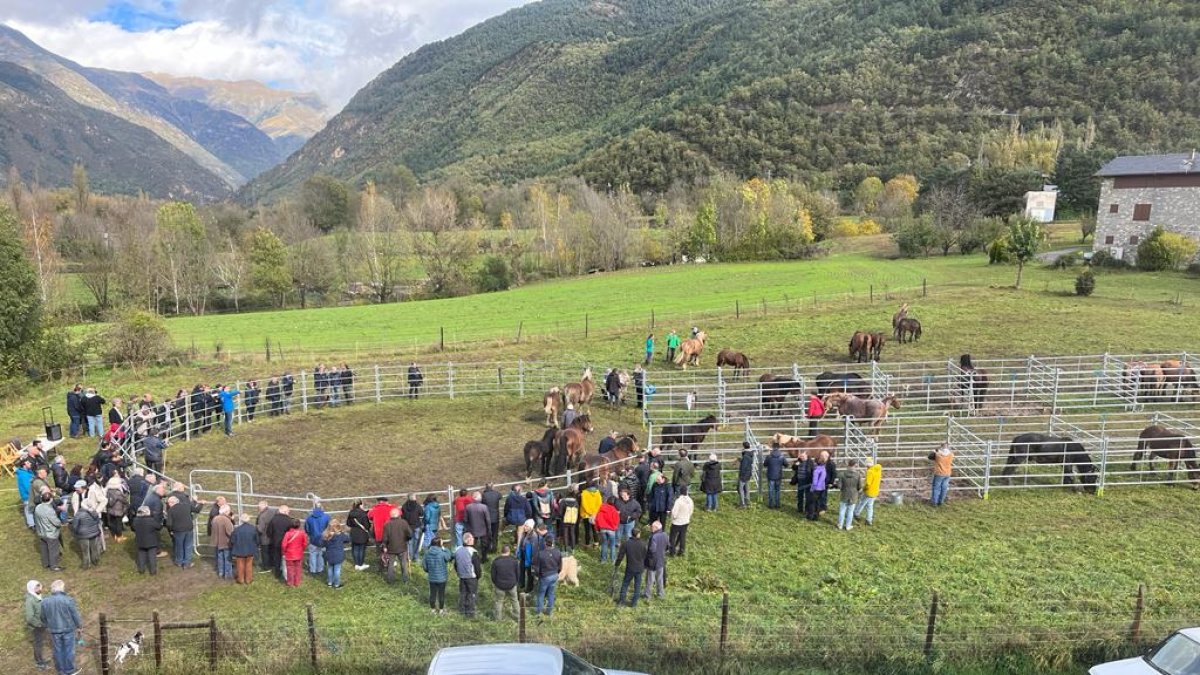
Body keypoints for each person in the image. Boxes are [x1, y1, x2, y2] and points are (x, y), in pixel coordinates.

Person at [41, 579, 83, 675]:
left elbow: (43, 617)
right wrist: (79, 626)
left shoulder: (45, 601)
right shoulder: (68, 600)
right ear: (62, 588)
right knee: (69, 650)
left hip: (54, 631)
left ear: (53, 589)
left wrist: (48, 625)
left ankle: (61, 671)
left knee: (58, 650)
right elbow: (75, 615)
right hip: (68, 630)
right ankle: (70, 670)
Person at [165, 493, 203, 568]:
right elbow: (196, 510)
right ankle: (187, 563)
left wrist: (171, 531)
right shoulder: (186, 506)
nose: (168, 504)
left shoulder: (171, 510)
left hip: (178, 531)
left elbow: (169, 523)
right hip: (189, 529)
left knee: (179, 546)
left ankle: (179, 561)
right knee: (188, 546)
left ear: (173, 502)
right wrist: (201, 504)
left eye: (169, 503)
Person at [615, 527, 646, 608]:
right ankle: (634, 603)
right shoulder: (643, 544)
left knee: (625, 584)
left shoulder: (626, 543)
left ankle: (621, 601)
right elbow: (644, 556)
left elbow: (620, 555)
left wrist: (617, 564)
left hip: (630, 567)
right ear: (638, 534)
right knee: (637, 585)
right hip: (639, 568)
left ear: (632, 534)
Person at [533, 535, 562, 619]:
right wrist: (557, 573)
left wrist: (537, 576)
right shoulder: (558, 552)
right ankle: (549, 612)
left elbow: (536, 567)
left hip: (545, 576)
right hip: (554, 575)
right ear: (552, 543)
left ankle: (538, 612)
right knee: (551, 593)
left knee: (541, 594)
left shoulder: (540, 554)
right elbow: (560, 566)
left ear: (545, 543)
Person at [382, 507, 413, 583]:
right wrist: (407, 539)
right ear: (398, 514)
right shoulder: (404, 522)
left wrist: (385, 546)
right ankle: (405, 580)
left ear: (390, 515)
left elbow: (385, 538)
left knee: (390, 564)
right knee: (403, 564)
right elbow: (410, 534)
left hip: (391, 547)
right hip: (402, 546)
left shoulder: (387, 524)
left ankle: (390, 580)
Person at [421, 537, 453, 615]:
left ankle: (433, 610)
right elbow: (449, 557)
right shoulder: (442, 552)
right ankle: (441, 610)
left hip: (432, 578)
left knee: (432, 594)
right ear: (439, 544)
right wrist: (445, 549)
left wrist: (429, 571)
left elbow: (424, 566)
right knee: (441, 594)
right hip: (442, 578)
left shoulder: (427, 553)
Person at [455, 532, 482, 618]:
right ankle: (470, 612)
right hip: (471, 576)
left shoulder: (458, 550)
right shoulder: (473, 552)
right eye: (472, 538)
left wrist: (458, 572)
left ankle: (462, 610)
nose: (474, 540)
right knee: (471, 594)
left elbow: (456, 564)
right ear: (468, 540)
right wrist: (478, 575)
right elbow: (477, 566)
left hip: (462, 576)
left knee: (463, 593)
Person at [490, 545, 520, 621]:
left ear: (501, 551)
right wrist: (516, 582)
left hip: (499, 585)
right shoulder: (514, 561)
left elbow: (493, 575)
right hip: (512, 584)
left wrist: (495, 583)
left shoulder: (496, 562)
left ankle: (498, 619)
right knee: (515, 600)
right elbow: (518, 573)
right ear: (509, 551)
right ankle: (518, 617)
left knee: (499, 602)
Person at [25, 579, 50, 671]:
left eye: (39, 586)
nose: (40, 588)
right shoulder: (30, 600)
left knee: (40, 643)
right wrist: (39, 624)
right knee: (38, 644)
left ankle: (41, 660)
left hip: (41, 624)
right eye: (37, 587)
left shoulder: (38, 596)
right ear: (31, 589)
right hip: (37, 627)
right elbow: (29, 618)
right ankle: (39, 663)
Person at [807, 451, 836, 521]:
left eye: (821, 456)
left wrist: (831, 482)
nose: (820, 456)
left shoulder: (830, 464)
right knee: (819, 499)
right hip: (822, 485)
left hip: (820, 485)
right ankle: (818, 512)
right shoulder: (823, 467)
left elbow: (834, 473)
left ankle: (818, 511)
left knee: (817, 499)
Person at [267, 504, 294, 580]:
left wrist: (272, 538)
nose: (289, 513)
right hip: (287, 542)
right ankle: (287, 573)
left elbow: (269, 531)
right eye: (288, 511)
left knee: (277, 557)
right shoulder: (289, 520)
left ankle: (277, 573)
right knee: (286, 558)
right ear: (285, 511)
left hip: (276, 542)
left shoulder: (273, 519)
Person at [132, 506, 161, 575]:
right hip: (151, 542)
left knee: (141, 556)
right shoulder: (151, 520)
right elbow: (159, 527)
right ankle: (153, 571)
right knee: (152, 557)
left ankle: (141, 570)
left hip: (140, 541)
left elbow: (133, 528)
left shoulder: (135, 520)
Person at [643, 521, 668, 601]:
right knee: (660, 579)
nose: (651, 528)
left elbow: (652, 550)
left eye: (652, 527)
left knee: (650, 579)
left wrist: (647, 557)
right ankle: (661, 594)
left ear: (656, 528)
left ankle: (647, 595)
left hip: (652, 562)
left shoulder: (653, 537)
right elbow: (668, 546)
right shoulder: (665, 535)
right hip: (661, 560)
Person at [230, 513, 258, 584]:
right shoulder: (253, 529)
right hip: (250, 549)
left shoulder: (237, 530)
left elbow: (232, 540)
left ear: (241, 520)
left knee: (240, 565)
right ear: (249, 519)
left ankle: (241, 579)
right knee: (249, 564)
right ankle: (248, 579)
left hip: (239, 550)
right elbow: (257, 540)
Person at [304, 500, 331, 576]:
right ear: (322, 508)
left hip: (313, 539)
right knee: (321, 554)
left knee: (312, 554)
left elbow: (307, 529)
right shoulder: (326, 517)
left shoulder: (309, 518)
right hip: (323, 539)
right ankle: (320, 569)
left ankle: (313, 570)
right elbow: (328, 527)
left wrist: (310, 534)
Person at [322, 519, 349, 588]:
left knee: (330, 568)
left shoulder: (326, 535)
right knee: (337, 570)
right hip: (338, 555)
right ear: (338, 526)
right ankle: (337, 584)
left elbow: (323, 544)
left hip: (329, 554)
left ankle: (330, 583)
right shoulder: (340, 535)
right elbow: (348, 539)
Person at [465, 492, 491, 563]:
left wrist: (468, 529)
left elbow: (466, 519)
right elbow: (488, 519)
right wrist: (489, 529)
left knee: (473, 545)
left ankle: (474, 558)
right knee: (484, 545)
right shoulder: (484, 507)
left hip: (472, 529)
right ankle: (484, 558)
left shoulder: (468, 507)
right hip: (483, 529)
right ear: (480, 498)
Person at [837, 459, 864, 531]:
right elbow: (860, 487)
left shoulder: (841, 474)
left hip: (844, 494)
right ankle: (848, 526)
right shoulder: (858, 475)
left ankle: (840, 524)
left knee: (842, 510)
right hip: (853, 495)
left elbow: (839, 486)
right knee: (850, 511)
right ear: (855, 465)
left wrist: (842, 488)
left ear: (848, 465)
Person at [281, 519, 308, 587]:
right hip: (298, 554)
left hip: (289, 554)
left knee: (290, 569)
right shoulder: (302, 533)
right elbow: (305, 543)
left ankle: (290, 582)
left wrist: (283, 552)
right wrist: (302, 550)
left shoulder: (288, 533)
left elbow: (284, 545)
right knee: (298, 568)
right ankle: (297, 582)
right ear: (299, 525)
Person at [346, 500, 372, 571]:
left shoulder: (351, 513)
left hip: (353, 533)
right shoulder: (363, 514)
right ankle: (361, 564)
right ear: (360, 505)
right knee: (361, 549)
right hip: (362, 533)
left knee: (355, 549)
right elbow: (367, 526)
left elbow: (348, 523)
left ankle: (356, 564)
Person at [211, 504, 235, 579]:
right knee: (227, 558)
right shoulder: (226, 520)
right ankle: (227, 574)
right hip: (225, 542)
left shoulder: (215, 518)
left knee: (220, 558)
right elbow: (230, 532)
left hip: (217, 542)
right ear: (226, 511)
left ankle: (221, 572)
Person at [668, 485, 693, 556]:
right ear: (686, 491)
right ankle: (681, 551)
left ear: (680, 492)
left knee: (672, 536)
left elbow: (674, 512)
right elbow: (691, 510)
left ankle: (672, 552)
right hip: (686, 521)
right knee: (682, 536)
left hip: (677, 522)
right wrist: (688, 516)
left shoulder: (678, 501)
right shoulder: (690, 500)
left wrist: (673, 518)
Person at [857, 458, 882, 525]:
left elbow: (868, 483)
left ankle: (856, 513)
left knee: (862, 502)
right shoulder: (878, 470)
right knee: (870, 505)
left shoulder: (870, 472)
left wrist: (863, 489)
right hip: (875, 491)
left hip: (869, 491)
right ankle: (869, 519)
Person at [763, 443, 789, 509]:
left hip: (770, 475)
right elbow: (786, 464)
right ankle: (777, 504)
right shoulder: (782, 456)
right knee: (777, 490)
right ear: (779, 447)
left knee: (771, 490)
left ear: (772, 447)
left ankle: (771, 504)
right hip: (778, 476)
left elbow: (765, 464)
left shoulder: (769, 456)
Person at [400, 493, 423, 563]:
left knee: (409, 542)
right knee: (416, 541)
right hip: (416, 526)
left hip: (408, 526)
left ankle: (409, 557)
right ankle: (416, 557)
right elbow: (421, 513)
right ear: (414, 498)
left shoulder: (404, 506)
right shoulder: (417, 506)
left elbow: (402, 516)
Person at [256, 501, 278, 572]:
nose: (258, 509)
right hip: (272, 536)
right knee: (271, 551)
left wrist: (256, 527)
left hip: (264, 537)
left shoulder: (262, 516)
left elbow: (260, 529)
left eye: (259, 507)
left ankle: (266, 567)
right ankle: (272, 564)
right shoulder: (273, 511)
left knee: (264, 553)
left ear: (261, 507)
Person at [579, 480, 602, 548]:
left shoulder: (584, 493)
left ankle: (587, 543)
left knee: (587, 530)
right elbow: (599, 504)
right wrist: (594, 513)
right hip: (595, 514)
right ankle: (596, 543)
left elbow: (584, 504)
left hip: (586, 514)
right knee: (594, 529)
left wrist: (589, 512)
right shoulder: (597, 492)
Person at [792, 450, 814, 515]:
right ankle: (800, 508)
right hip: (800, 480)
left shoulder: (810, 462)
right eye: (801, 456)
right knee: (800, 495)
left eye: (803, 456)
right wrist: (796, 464)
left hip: (807, 480)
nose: (802, 457)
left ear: (806, 456)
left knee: (807, 495)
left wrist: (812, 480)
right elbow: (793, 468)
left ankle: (806, 509)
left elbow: (812, 471)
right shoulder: (799, 461)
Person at [482, 484, 502, 554]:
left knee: (487, 533)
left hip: (487, 517)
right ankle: (494, 548)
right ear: (493, 487)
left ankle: (487, 548)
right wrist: (494, 490)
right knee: (495, 533)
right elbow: (500, 496)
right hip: (495, 517)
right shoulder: (496, 494)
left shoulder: (484, 495)